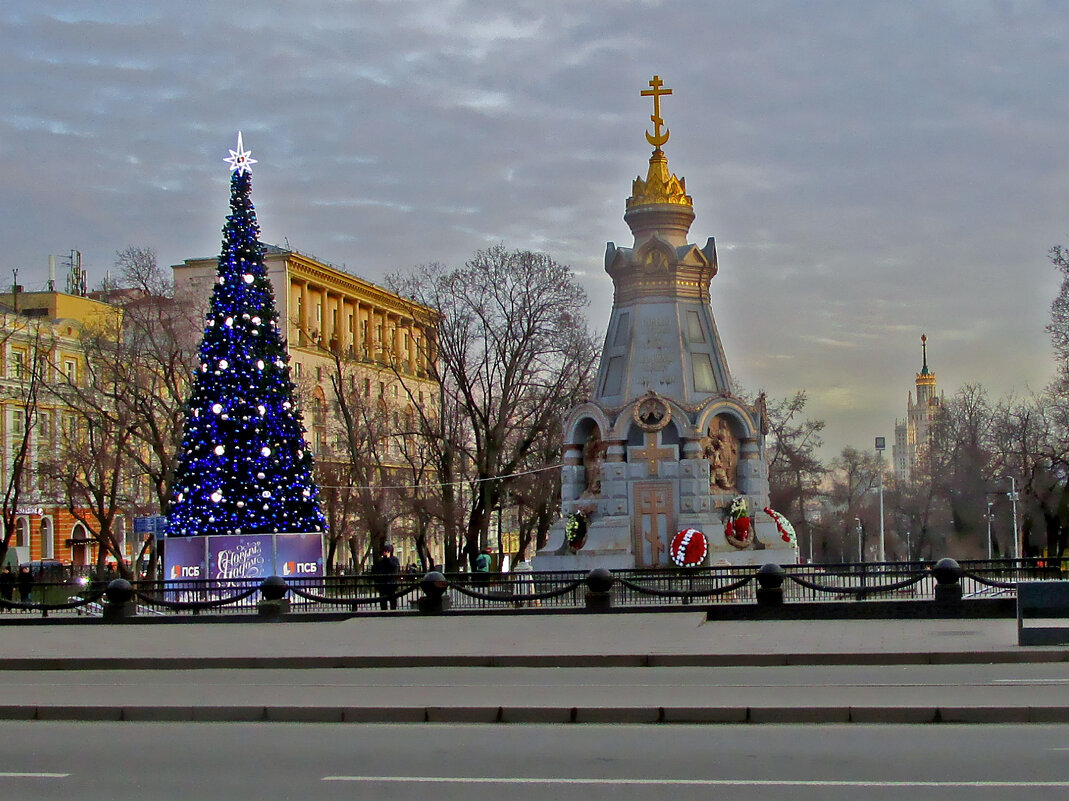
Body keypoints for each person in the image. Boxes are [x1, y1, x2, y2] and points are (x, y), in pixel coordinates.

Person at [371, 543, 401, 610]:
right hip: (383, 583)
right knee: (383, 600)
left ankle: (393, 611)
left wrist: (388, 558)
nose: (384, 552)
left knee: (392, 599)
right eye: (384, 551)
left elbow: (394, 568)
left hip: (391, 583)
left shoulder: (394, 559)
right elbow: (376, 569)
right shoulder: (381, 560)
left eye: (386, 551)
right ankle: (384, 611)